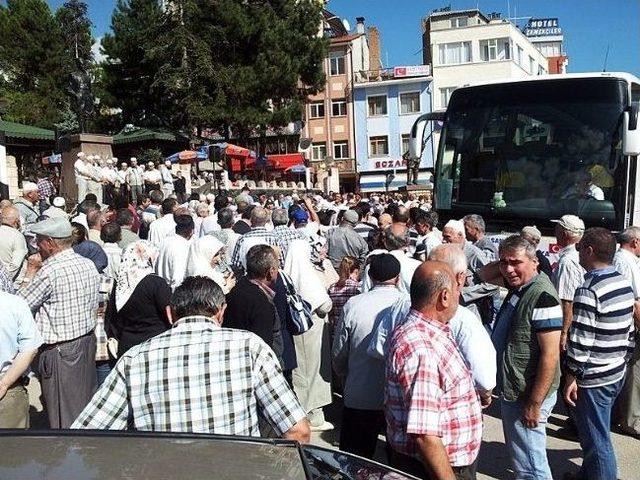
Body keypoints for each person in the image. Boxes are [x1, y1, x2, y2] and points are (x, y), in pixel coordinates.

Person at [72, 276, 310, 442]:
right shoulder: (251, 347)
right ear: (221, 312)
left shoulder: (134, 359)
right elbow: (298, 431)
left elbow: (87, 436)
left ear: (170, 314)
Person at [385, 261, 482, 479]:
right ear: (444, 296)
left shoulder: (427, 331)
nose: (460, 295)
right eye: (458, 289)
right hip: (438, 468)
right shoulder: (422, 348)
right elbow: (425, 435)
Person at [369, 244, 496, 403]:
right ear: (460, 277)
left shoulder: (399, 305)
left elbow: (378, 349)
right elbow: (485, 380)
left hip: (396, 401)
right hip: (445, 412)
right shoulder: (465, 319)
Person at [564, 228, 635, 480]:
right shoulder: (622, 282)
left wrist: (571, 375)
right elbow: (629, 332)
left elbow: (581, 340)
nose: (577, 251)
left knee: (596, 437)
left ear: (589, 250)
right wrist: (621, 360)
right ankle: (588, 474)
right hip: (615, 371)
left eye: (580, 246)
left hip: (595, 377)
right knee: (596, 432)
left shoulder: (589, 289)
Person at [491, 235, 563, 479]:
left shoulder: (542, 297)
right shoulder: (520, 287)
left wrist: (534, 403)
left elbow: (550, 355)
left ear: (534, 262)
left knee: (532, 465)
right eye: (503, 262)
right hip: (516, 390)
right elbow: (481, 275)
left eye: (515, 262)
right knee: (523, 459)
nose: (508, 269)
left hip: (527, 395)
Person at [18, 217, 100, 428]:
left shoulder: (50, 270)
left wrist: (30, 272)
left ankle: (68, 455)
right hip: (85, 342)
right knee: (81, 405)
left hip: (61, 352)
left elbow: (20, 306)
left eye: (39, 240)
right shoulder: (87, 263)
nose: (36, 245)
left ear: (51, 243)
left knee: (62, 414)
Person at [332, 254, 403, 459]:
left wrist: (343, 375)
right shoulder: (406, 304)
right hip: (396, 397)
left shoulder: (354, 305)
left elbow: (339, 351)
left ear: (369, 276)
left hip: (360, 393)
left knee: (355, 459)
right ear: (398, 278)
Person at [284, 239, 333, 431]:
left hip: (297, 331)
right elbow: (323, 304)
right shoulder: (306, 273)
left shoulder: (288, 273)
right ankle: (314, 415)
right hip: (312, 332)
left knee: (300, 372)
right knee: (313, 372)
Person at [106, 241, 171, 358]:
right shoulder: (156, 283)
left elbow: (114, 317)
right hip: (155, 344)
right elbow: (169, 314)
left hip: (127, 345)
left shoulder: (121, 284)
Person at [224, 245, 283, 361]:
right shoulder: (261, 303)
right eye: (277, 268)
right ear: (271, 272)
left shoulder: (236, 289)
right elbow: (263, 346)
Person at [0, 290, 43, 428]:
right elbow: (30, 350)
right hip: (8, 389)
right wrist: (4, 384)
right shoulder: (15, 303)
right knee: (12, 447)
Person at [613, 226, 640, 436]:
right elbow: (635, 302)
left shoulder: (623, 259)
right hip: (630, 326)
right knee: (633, 372)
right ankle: (630, 420)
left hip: (624, 326)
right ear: (635, 242)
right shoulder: (626, 262)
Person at [551, 215, 586, 351]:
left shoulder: (567, 261)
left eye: (557, 229)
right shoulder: (579, 255)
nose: (555, 232)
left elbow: (567, 301)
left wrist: (563, 333)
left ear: (564, 233)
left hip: (568, 328)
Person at [362, 224, 421, 295]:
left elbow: (365, 294)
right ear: (408, 241)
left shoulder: (373, 265)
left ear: (384, 241)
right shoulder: (418, 267)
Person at [230, 206, 278, 273]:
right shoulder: (274, 238)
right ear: (266, 220)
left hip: (248, 277)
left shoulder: (243, 239)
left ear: (251, 220)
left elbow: (236, 264)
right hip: (268, 277)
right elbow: (277, 261)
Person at [154, 214, 194, 290]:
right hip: (171, 291)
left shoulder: (164, 241)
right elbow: (178, 277)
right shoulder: (183, 246)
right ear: (191, 231)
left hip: (159, 286)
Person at [327, 256, 361, 327]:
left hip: (336, 327)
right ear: (356, 271)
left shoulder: (332, 288)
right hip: (352, 325)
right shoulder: (357, 287)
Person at [0, 205, 28, 281]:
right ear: (17, 221)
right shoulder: (17, 236)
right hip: (12, 282)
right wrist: (4, 280)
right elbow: (15, 264)